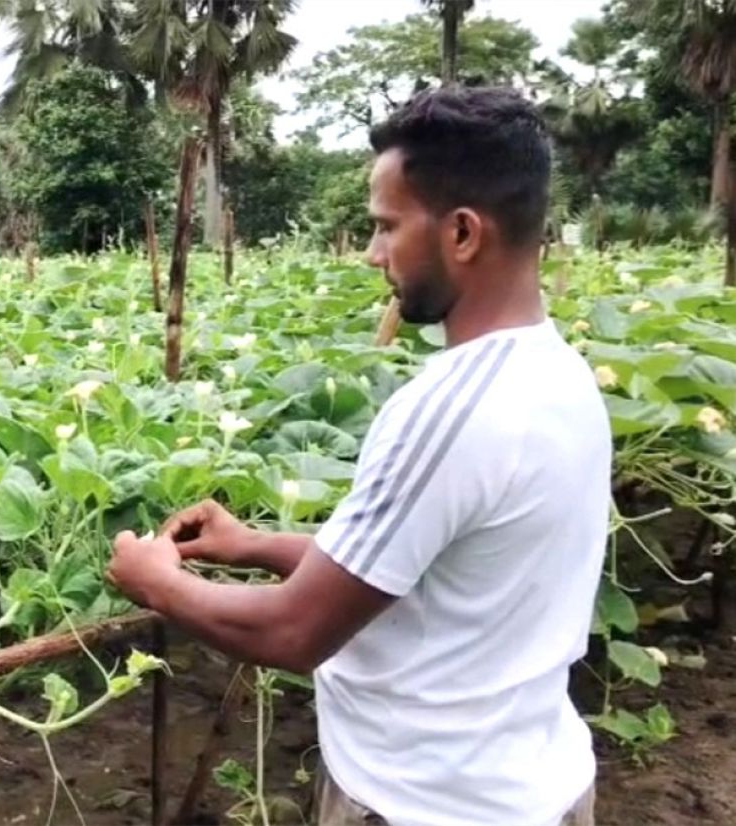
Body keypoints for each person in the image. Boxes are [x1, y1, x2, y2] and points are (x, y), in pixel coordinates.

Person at [106, 86, 610, 826]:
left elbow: (293, 631)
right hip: (533, 784)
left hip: (424, 804)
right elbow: (431, 570)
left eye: (385, 227)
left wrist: (158, 583)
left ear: (463, 234)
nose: (373, 253)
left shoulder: (453, 408)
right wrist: (256, 544)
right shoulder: (560, 373)